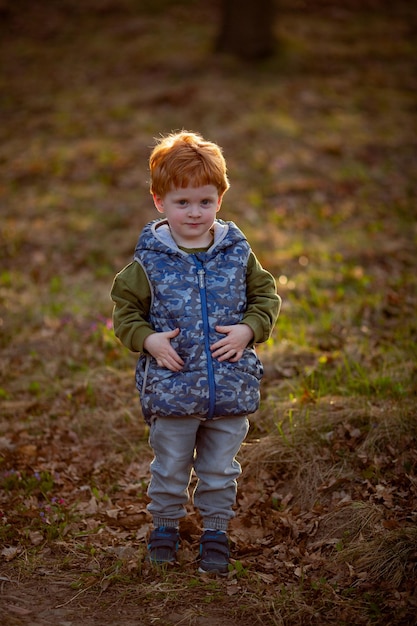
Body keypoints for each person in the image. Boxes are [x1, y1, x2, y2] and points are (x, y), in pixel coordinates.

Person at [111, 131, 281, 574]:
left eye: (204, 201)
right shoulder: (147, 262)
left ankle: (215, 532)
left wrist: (248, 329)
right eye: (182, 202)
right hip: (171, 388)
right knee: (169, 465)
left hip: (229, 386)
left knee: (221, 469)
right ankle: (165, 526)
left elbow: (266, 298)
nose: (194, 212)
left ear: (220, 200)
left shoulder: (236, 253)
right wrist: (148, 340)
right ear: (159, 202)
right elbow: (125, 313)